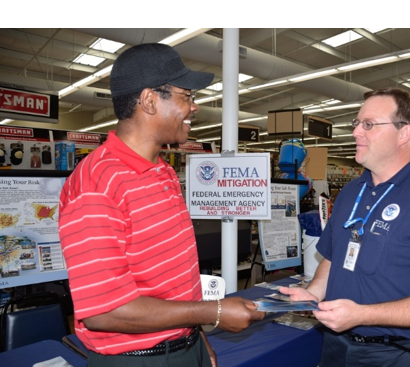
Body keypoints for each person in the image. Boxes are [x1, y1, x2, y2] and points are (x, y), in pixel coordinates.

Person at [59, 43, 264, 366]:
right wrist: (214, 312)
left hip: (184, 345)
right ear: (150, 100)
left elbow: (174, 283)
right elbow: (105, 311)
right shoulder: (96, 185)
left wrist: (197, 337)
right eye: (187, 95)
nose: (194, 107)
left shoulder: (163, 172)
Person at [280, 88, 410, 367]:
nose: (356, 132)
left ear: (404, 133)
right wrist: (313, 293)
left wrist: (361, 315)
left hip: (398, 353)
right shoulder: (350, 192)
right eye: (356, 124)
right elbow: (334, 257)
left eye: (368, 124)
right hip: (336, 345)